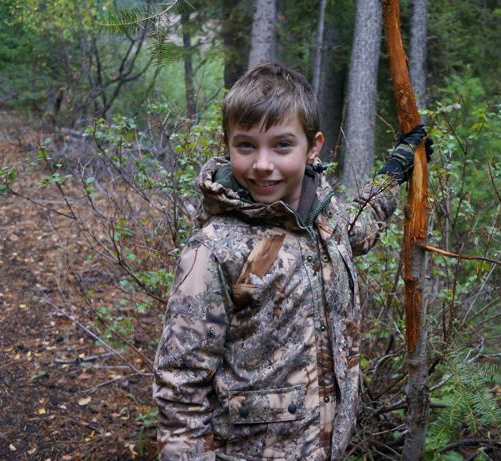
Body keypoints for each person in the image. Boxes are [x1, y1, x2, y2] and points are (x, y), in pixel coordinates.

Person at [152, 63, 431, 461]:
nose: (263, 164)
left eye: (282, 145)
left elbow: (357, 232)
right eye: (246, 146)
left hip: (325, 445)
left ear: (313, 146)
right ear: (227, 144)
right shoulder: (213, 250)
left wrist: (394, 174)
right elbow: (181, 383)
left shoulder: (321, 214)